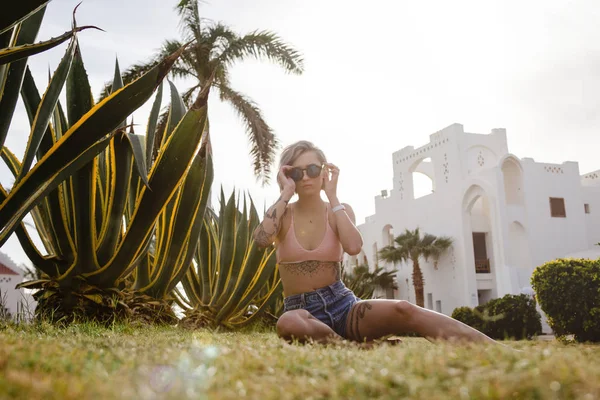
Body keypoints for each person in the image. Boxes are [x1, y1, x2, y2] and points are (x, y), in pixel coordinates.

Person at [253, 140, 498, 346]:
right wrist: (285, 193)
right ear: (287, 176)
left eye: (313, 170)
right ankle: (351, 348)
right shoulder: (282, 215)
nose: (305, 177)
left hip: (344, 307)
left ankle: (493, 349)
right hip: (301, 310)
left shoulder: (339, 210)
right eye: (297, 172)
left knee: (404, 308)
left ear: (324, 172)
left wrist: (333, 195)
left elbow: (353, 247)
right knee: (288, 323)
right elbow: (261, 240)